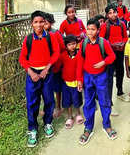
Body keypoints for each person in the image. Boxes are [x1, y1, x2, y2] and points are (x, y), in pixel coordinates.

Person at [19, 10, 61, 147]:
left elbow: (56, 53)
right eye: (35, 22)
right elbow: (22, 59)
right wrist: (31, 72)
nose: (38, 25)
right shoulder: (28, 39)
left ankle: (48, 123)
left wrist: (46, 69)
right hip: (33, 75)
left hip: (47, 74)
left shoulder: (51, 37)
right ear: (32, 24)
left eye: (41, 22)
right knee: (32, 102)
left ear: (45, 23)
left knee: (49, 99)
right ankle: (32, 129)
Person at [76, 18, 117, 145]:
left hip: (101, 76)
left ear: (98, 30)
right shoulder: (83, 43)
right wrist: (79, 79)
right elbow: (79, 62)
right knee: (88, 103)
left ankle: (107, 125)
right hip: (88, 77)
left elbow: (112, 56)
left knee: (104, 101)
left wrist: (103, 62)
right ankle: (88, 128)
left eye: (92, 29)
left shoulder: (103, 42)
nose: (89, 31)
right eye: (88, 29)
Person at [100, 4, 128, 103]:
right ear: (107, 15)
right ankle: (109, 97)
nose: (113, 15)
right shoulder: (104, 26)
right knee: (109, 74)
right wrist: (111, 45)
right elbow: (102, 40)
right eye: (110, 13)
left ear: (117, 12)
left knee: (120, 71)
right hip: (109, 54)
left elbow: (125, 37)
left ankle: (120, 91)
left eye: (114, 12)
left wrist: (123, 43)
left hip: (120, 51)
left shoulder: (122, 24)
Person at [44, 12, 65, 118]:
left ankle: (58, 106)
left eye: (46, 23)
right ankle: (49, 107)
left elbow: (62, 48)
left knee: (57, 87)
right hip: (44, 65)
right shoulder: (40, 34)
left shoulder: (55, 33)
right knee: (47, 87)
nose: (43, 25)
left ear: (51, 23)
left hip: (56, 64)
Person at [60, 35, 84, 128]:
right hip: (66, 82)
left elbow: (79, 68)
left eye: (74, 44)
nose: (72, 46)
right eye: (69, 45)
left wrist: (79, 80)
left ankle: (78, 114)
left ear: (76, 44)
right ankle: (70, 117)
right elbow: (59, 65)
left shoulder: (79, 55)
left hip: (76, 81)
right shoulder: (63, 55)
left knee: (76, 98)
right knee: (67, 100)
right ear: (66, 46)